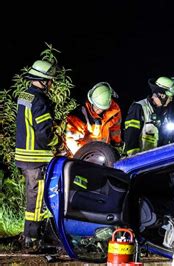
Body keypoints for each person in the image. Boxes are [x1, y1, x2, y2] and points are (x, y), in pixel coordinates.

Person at [15, 60, 59, 250]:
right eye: (49, 81)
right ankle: (32, 238)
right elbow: (44, 132)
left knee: (33, 198)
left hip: (25, 156)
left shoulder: (24, 95)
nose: (50, 84)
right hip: (36, 158)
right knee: (37, 200)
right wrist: (57, 143)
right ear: (42, 81)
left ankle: (31, 235)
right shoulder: (40, 100)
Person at [123, 76, 174, 156]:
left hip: (155, 162)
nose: (171, 99)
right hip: (139, 162)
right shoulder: (139, 107)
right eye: (170, 96)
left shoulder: (165, 114)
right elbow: (130, 139)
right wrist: (135, 161)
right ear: (161, 95)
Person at [64, 82, 122, 155]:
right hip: (85, 156)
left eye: (102, 108)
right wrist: (82, 156)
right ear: (91, 101)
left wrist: (117, 144)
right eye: (97, 107)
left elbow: (115, 130)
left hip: (104, 154)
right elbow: (71, 140)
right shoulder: (80, 115)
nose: (99, 110)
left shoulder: (114, 112)